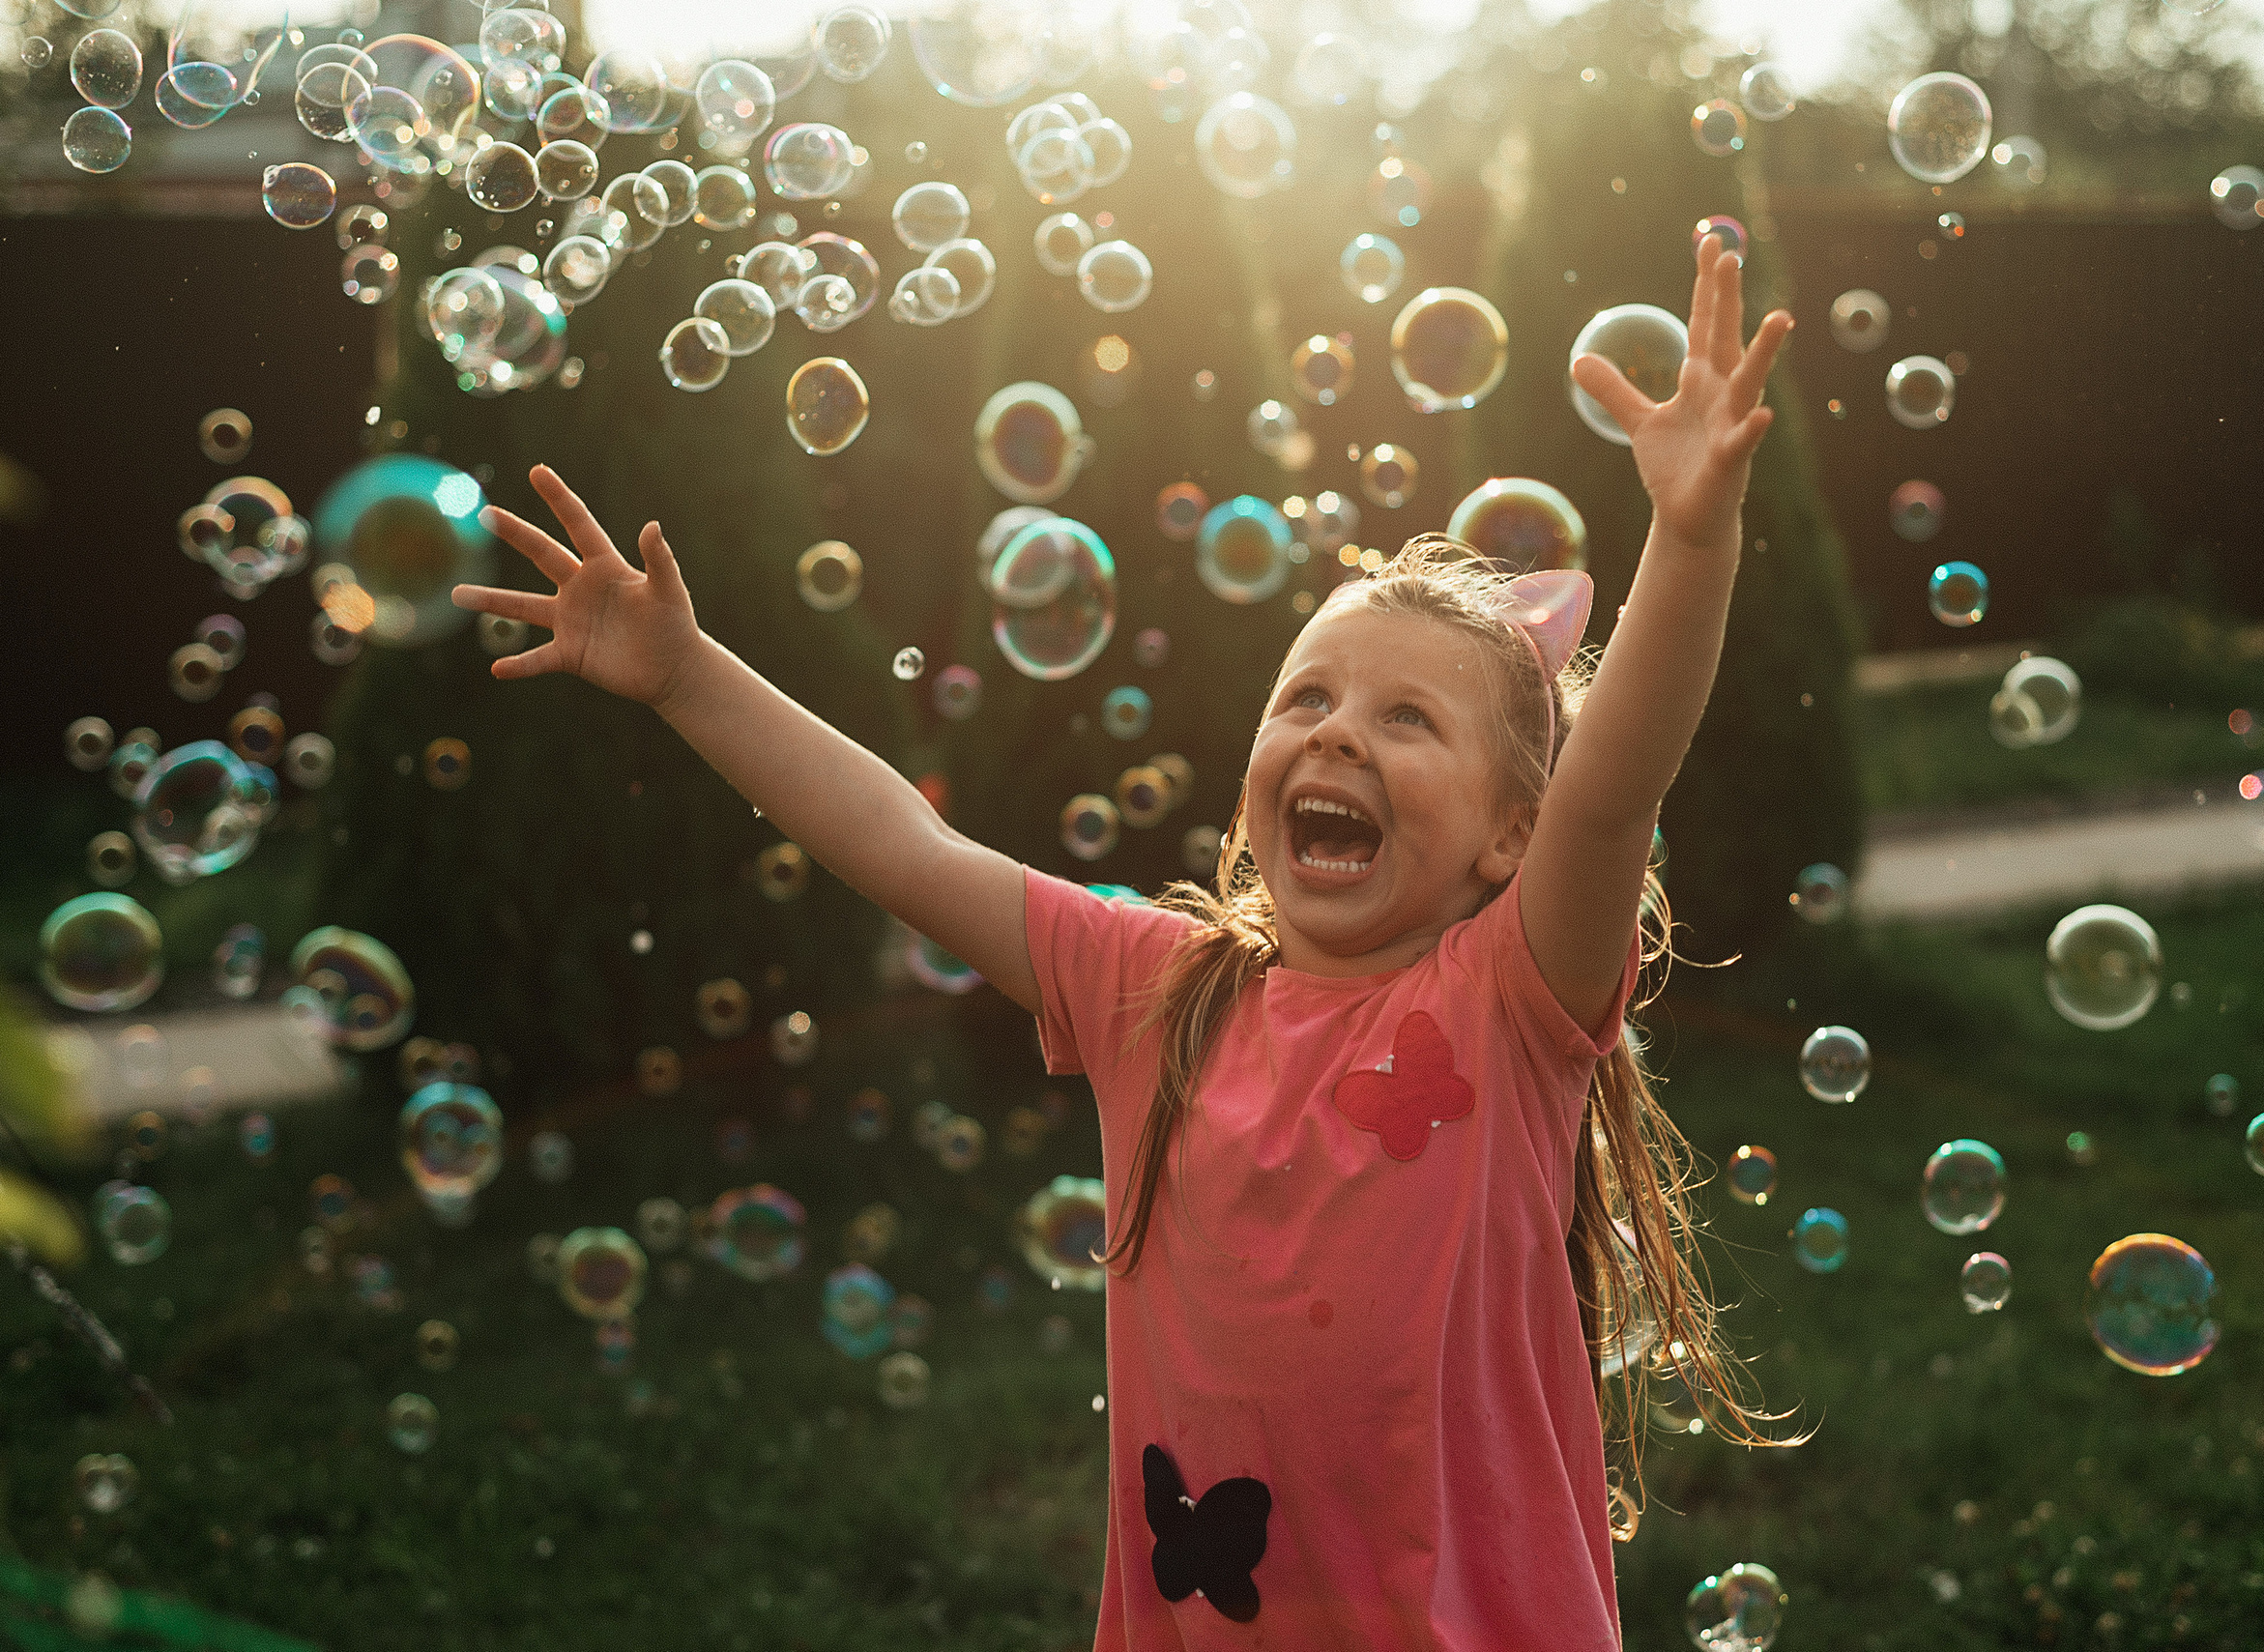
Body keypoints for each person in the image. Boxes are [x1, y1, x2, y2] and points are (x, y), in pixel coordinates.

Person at [452, 232, 1793, 1650]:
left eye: (1409, 719)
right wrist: (686, 673)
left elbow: (1615, 780)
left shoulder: (1508, 1004)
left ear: (1510, 835)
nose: (1337, 728)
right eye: (1309, 698)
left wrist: (1692, 534)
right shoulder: (1156, 991)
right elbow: (909, 845)